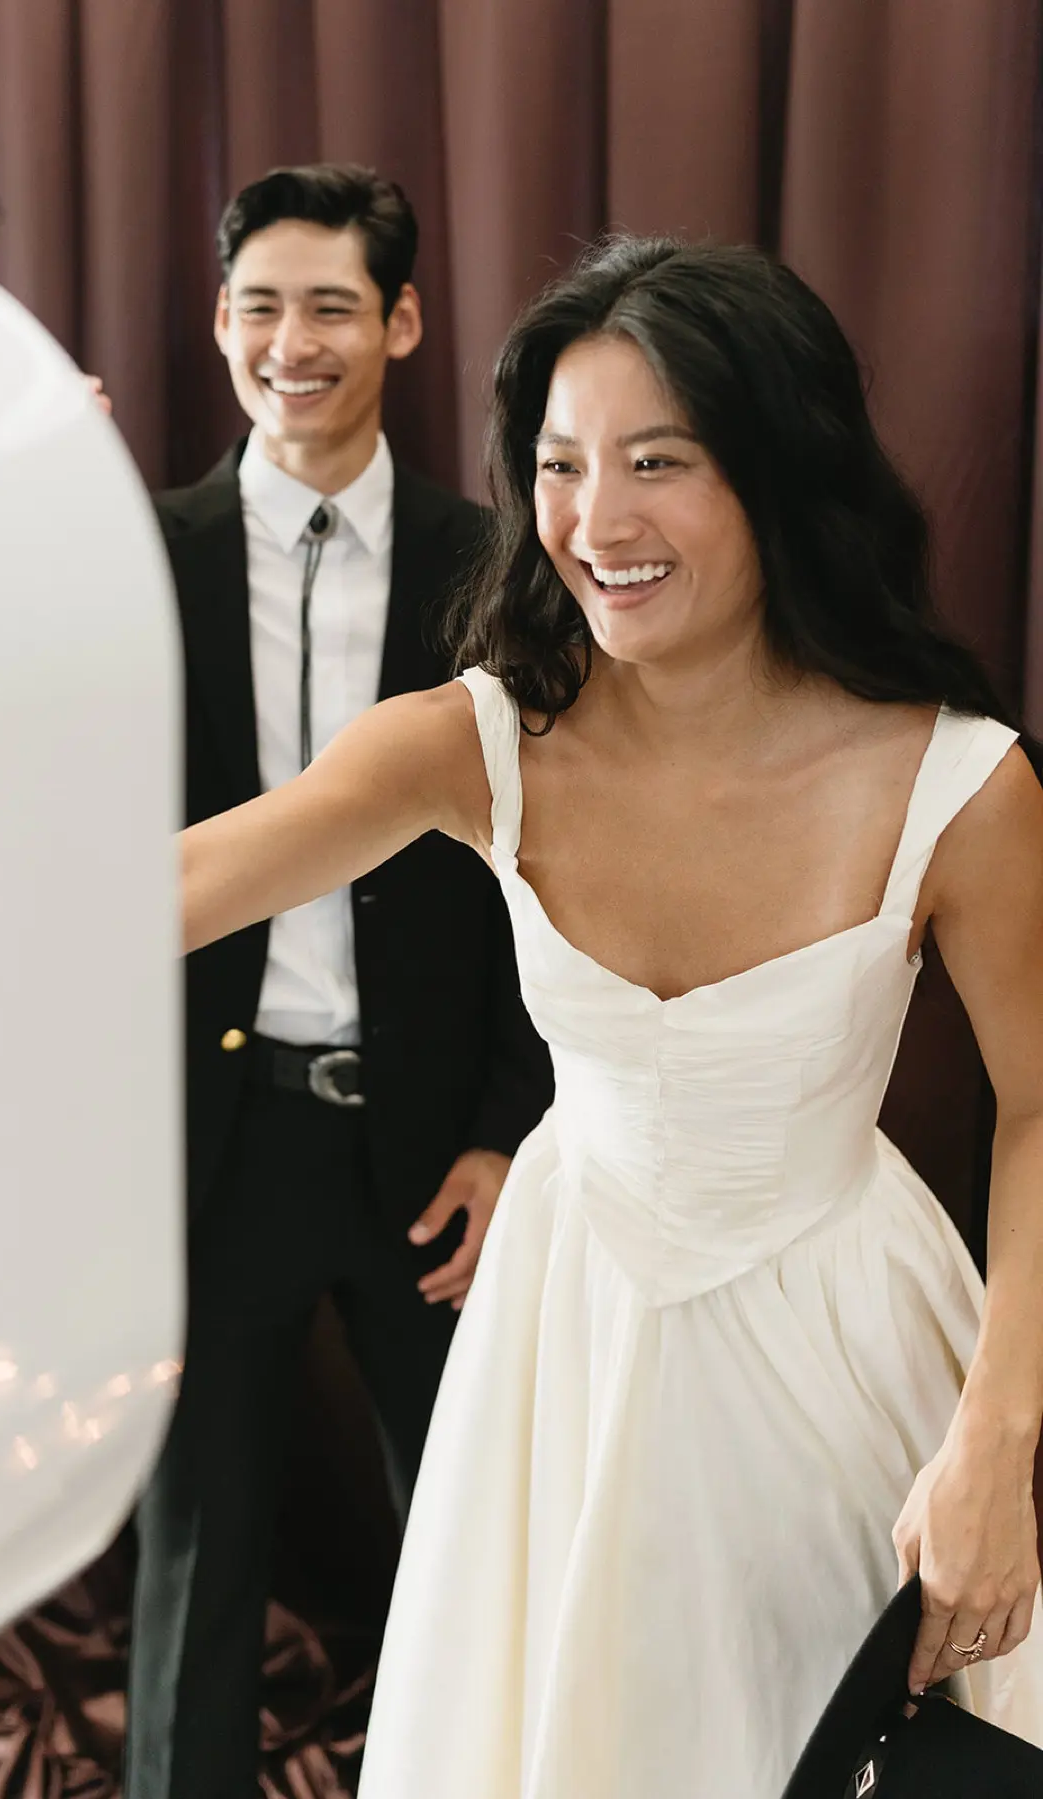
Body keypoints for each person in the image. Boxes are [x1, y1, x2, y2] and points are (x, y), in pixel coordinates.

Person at [178, 233, 1043, 1795]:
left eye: (657, 461)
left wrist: (999, 1440)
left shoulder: (960, 781)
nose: (595, 520)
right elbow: (161, 893)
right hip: (563, 1338)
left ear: (779, 468)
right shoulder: (484, 740)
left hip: (844, 1345)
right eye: (560, 465)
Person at [126, 164, 552, 1799]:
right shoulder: (130, 555)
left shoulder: (493, 560)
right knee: (197, 1562)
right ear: (217, 323)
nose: (289, 343)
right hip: (207, 1145)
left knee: (476, 1547)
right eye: (259, 307)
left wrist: (510, 1128)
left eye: (328, 306)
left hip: (430, 1144)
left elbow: (546, 868)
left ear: (404, 321)